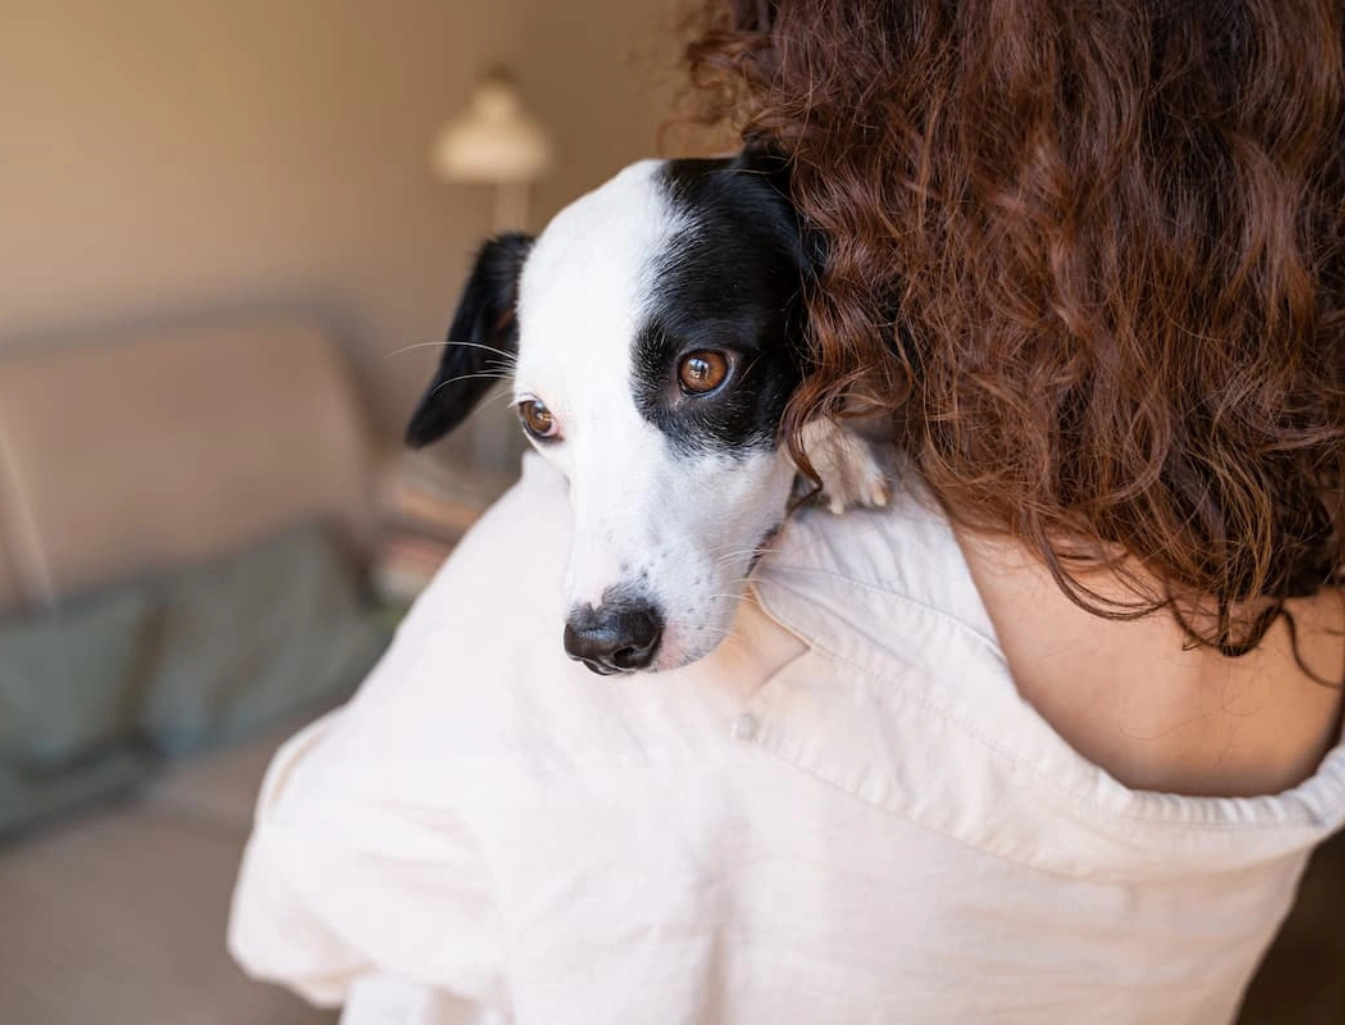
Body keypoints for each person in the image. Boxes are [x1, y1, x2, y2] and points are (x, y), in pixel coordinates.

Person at [229, 3, 1344, 1022]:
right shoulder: (1308, 599)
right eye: (545, 420)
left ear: (857, 263)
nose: (597, 593)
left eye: (702, 371)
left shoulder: (539, 585)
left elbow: (294, 911)